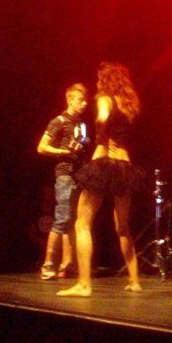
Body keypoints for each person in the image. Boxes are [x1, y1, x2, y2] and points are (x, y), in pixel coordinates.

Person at [58, 62, 145, 297]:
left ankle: (84, 284)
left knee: (82, 224)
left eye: (99, 78)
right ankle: (135, 281)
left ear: (107, 80)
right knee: (123, 227)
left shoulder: (105, 98)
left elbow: (103, 117)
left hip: (103, 161)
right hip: (124, 165)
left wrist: (99, 128)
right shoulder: (128, 103)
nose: (96, 82)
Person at [36, 83, 89, 281]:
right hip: (64, 175)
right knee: (62, 218)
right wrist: (63, 151)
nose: (84, 103)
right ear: (70, 100)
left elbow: (82, 146)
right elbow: (41, 147)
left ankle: (67, 264)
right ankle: (47, 264)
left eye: (85, 100)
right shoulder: (58, 121)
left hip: (78, 175)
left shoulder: (81, 124)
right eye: (80, 100)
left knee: (72, 221)